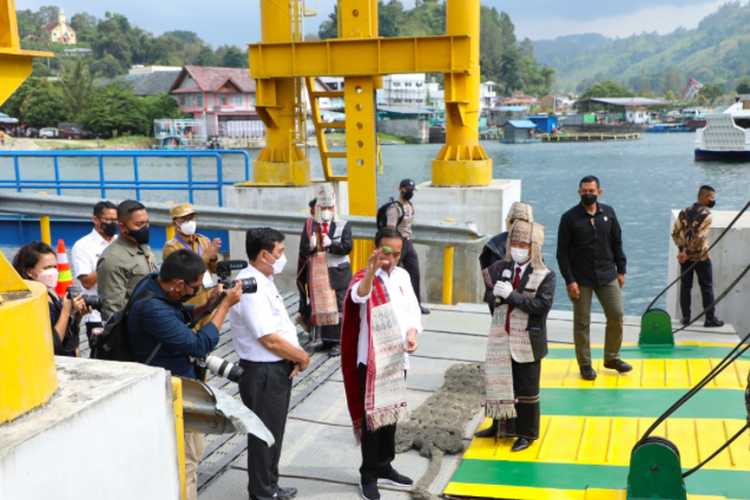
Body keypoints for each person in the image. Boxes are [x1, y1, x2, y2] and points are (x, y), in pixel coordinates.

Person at [127, 249, 243, 500]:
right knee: (187, 463)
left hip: (169, 384)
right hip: (172, 392)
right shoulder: (152, 309)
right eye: (194, 288)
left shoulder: (153, 284)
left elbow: (177, 316)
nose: (194, 292)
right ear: (178, 284)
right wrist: (224, 306)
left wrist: (208, 305)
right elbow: (200, 345)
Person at [229, 228, 309, 500]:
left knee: (273, 432)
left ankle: (271, 486)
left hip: (276, 369)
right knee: (264, 437)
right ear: (264, 255)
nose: (283, 256)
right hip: (263, 372)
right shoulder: (250, 286)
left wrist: (293, 356)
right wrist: (302, 356)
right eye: (280, 252)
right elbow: (269, 339)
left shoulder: (263, 279)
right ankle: (262, 494)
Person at [341, 228, 421, 500]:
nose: (392, 259)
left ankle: (385, 465)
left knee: (391, 417)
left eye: (397, 254)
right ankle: (368, 474)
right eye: (387, 252)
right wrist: (372, 270)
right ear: (376, 249)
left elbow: (412, 310)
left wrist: (412, 333)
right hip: (372, 362)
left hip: (398, 358)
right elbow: (357, 297)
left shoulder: (403, 276)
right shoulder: (364, 277)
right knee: (373, 421)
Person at [475, 220, 555, 452]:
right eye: (515, 243)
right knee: (499, 382)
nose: (518, 248)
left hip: (528, 340)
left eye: (524, 244)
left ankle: (526, 434)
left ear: (534, 248)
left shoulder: (545, 274)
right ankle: (499, 426)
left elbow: (542, 305)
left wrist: (511, 296)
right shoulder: (502, 267)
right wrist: (495, 296)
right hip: (502, 335)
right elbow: (489, 293)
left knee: (526, 388)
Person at [556, 175, 631, 381]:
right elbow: (562, 253)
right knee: (582, 321)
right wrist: (569, 280)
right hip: (580, 279)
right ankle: (585, 364)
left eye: (592, 191)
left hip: (607, 275)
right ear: (579, 193)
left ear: (599, 192)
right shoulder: (569, 218)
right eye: (584, 191)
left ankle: (612, 357)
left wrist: (621, 270)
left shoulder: (609, 213)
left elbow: (617, 242)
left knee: (616, 314)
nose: (588, 194)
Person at [297, 184, 353, 356]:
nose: (327, 211)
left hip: (337, 272)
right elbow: (303, 248)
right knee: (321, 307)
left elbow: (347, 247)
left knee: (338, 307)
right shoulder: (310, 225)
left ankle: (339, 342)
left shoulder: (344, 225)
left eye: (330, 207)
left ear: (334, 208)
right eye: (324, 207)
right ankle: (326, 341)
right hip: (318, 274)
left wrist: (332, 244)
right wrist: (312, 246)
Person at [12, 241, 89, 356]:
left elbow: (66, 331)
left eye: (55, 267)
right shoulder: (30, 302)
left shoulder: (51, 294)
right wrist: (66, 311)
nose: (53, 272)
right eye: (47, 267)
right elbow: (51, 344)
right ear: (30, 272)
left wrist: (78, 316)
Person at [671, 185, 724, 327]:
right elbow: (700, 237)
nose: (713, 200)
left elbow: (675, 233)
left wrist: (683, 250)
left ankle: (686, 318)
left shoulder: (683, 212)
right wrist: (688, 252)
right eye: (711, 198)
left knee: (685, 287)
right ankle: (709, 319)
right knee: (706, 287)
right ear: (704, 198)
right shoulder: (707, 215)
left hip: (684, 258)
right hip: (702, 256)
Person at [163, 203, 222, 331]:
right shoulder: (171, 247)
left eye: (191, 219)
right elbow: (185, 274)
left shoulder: (203, 240)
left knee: (208, 341)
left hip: (208, 300)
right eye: (184, 220)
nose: (189, 223)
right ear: (175, 224)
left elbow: (216, 270)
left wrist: (213, 257)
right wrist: (205, 256)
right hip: (189, 305)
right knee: (191, 344)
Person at [97, 200, 158, 321]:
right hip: (136, 331)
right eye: (139, 224)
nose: (145, 228)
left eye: (147, 223)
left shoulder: (143, 249)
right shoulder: (113, 259)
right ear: (122, 227)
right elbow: (112, 310)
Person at [71, 200, 118, 341]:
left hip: (121, 310)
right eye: (108, 220)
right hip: (97, 315)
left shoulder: (120, 242)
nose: (113, 224)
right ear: (95, 220)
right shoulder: (83, 246)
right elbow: (86, 282)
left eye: (116, 220)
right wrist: (110, 262)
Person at [387, 178, 429, 315]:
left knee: (414, 273)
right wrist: (393, 248)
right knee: (390, 273)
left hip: (408, 243)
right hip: (398, 243)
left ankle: (416, 305)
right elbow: (390, 229)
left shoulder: (409, 206)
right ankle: (388, 303)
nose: (410, 192)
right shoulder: (395, 208)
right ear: (400, 190)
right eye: (407, 190)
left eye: (412, 190)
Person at [479, 201, 534, 272]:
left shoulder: (533, 243)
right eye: (514, 222)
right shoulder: (497, 245)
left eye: (521, 222)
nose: (517, 226)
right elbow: (493, 274)